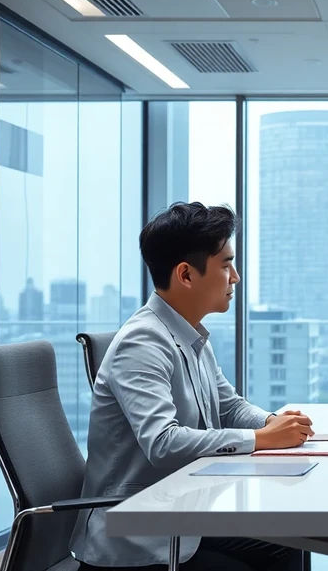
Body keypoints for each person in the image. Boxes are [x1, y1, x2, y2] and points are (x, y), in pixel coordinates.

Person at [71, 202, 313, 571]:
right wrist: (263, 439)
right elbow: (163, 443)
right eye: (226, 264)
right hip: (137, 537)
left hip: (179, 511)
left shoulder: (190, 334)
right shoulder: (143, 343)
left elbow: (229, 406)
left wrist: (273, 422)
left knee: (288, 542)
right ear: (186, 275)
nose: (236, 277)